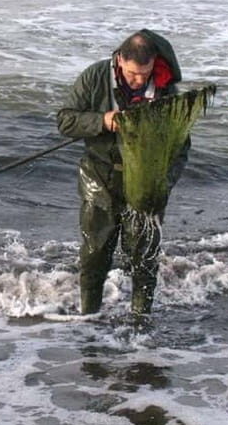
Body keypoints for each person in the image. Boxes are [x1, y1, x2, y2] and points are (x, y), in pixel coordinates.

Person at [56, 29, 189, 317]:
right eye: (132, 74)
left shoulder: (166, 90)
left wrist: (165, 183)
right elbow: (66, 121)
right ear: (120, 60)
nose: (139, 80)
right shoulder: (95, 76)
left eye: (145, 73)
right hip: (99, 175)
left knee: (144, 258)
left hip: (147, 184)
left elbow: (181, 147)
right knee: (94, 254)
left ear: (155, 63)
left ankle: (141, 321)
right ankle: (89, 318)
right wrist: (102, 120)